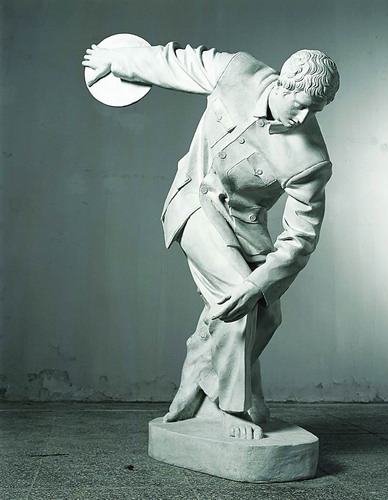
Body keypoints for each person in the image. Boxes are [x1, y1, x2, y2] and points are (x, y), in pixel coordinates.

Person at [82, 41, 339, 440]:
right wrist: (114, 60)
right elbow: (172, 63)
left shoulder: (311, 160)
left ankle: (200, 372)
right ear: (284, 84)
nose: (304, 117)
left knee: (267, 313)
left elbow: (301, 238)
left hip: (246, 226)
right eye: (302, 105)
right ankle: (230, 406)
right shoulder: (237, 72)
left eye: (316, 110)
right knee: (235, 305)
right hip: (195, 203)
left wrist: (259, 284)